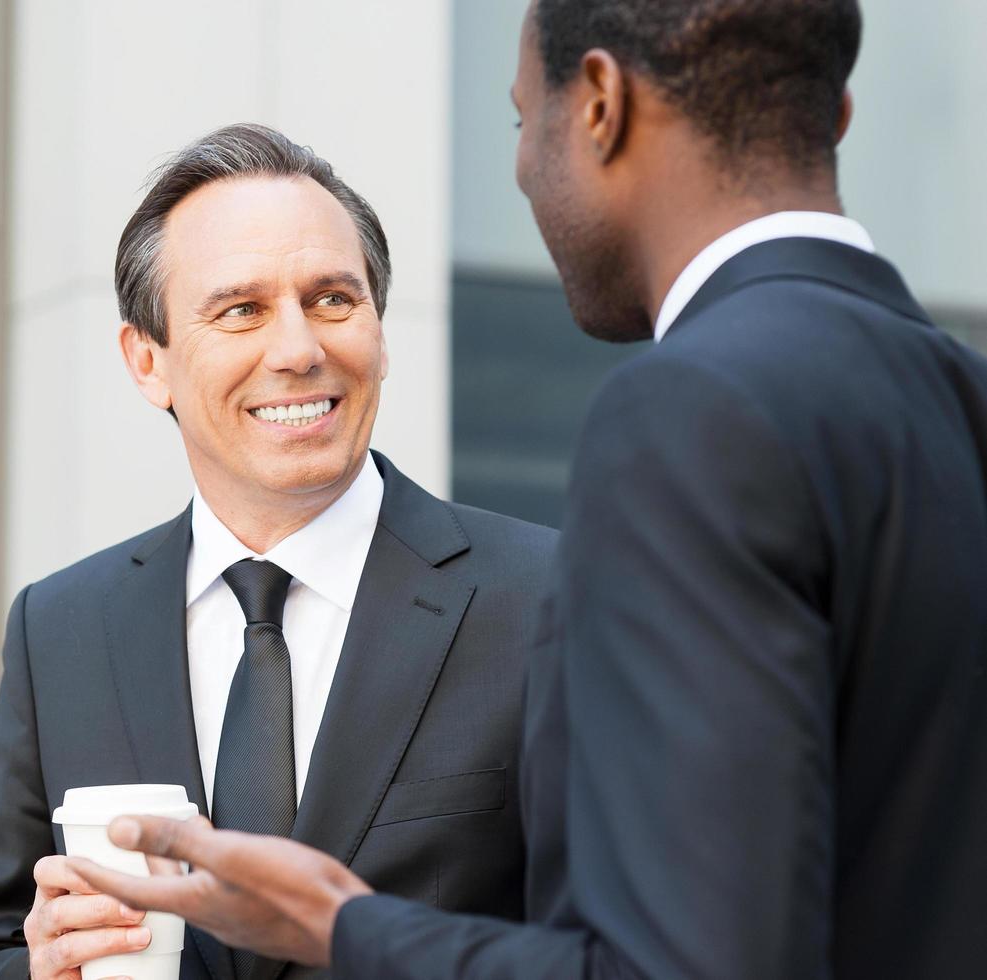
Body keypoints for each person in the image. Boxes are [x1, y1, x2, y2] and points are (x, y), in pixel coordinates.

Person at [70, 3, 987, 978]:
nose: (519, 168)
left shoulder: (690, 410)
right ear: (835, 113)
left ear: (597, 103)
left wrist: (341, 924)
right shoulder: (961, 397)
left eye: (521, 119)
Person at [0, 123, 556, 980]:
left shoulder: (552, 595)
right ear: (146, 361)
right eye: (241, 311)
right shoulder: (62, 626)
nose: (299, 350)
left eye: (334, 299)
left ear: (379, 329)